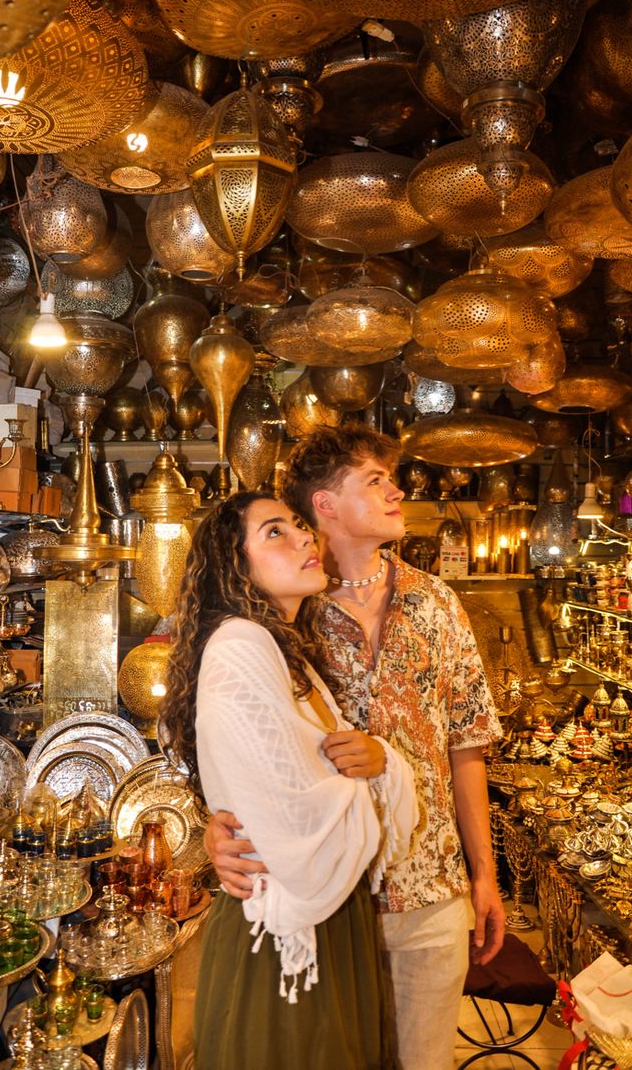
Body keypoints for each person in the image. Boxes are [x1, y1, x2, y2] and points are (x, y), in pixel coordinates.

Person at [205, 425, 505, 1070]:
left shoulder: (438, 602)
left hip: (429, 888)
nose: (398, 491)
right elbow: (210, 729)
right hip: (325, 901)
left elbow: (467, 745)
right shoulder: (276, 609)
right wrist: (215, 823)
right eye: (376, 479)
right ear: (325, 504)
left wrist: (485, 875)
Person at [160, 491, 418, 1070]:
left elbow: (322, 777)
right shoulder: (240, 646)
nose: (304, 538)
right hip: (285, 932)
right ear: (236, 565)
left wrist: (378, 760)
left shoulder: (286, 651)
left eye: (300, 526)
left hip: (322, 917)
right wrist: (370, 773)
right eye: (275, 532)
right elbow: (290, 816)